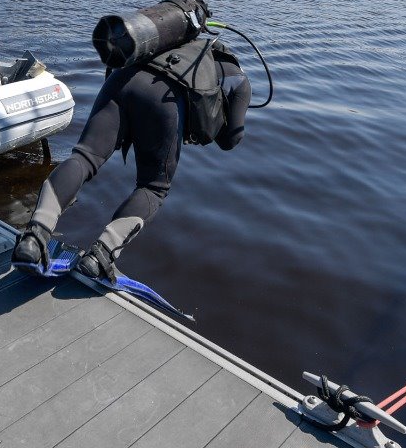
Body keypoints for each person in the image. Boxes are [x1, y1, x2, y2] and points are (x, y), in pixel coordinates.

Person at [13, 27, 252, 281]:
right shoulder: (236, 76)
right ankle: (100, 255)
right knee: (154, 187)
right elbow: (231, 141)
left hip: (120, 81)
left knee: (84, 157)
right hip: (163, 103)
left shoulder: (167, 41)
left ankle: (35, 237)